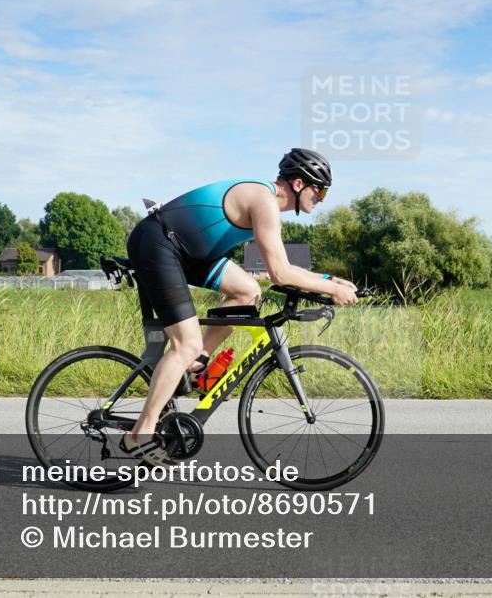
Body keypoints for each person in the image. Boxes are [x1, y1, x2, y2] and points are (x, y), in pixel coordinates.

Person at [121, 148, 359, 464]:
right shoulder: (264, 202)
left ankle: (195, 364)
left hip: (188, 252)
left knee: (247, 291)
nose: (323, 199)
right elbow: (281, 273)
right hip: (158, 243)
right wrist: (330, 288)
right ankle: (140, 433)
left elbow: (282, 268)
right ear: (300, 184)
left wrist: (332, 280)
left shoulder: (267, 202)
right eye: (322, 190)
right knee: (185, 344)